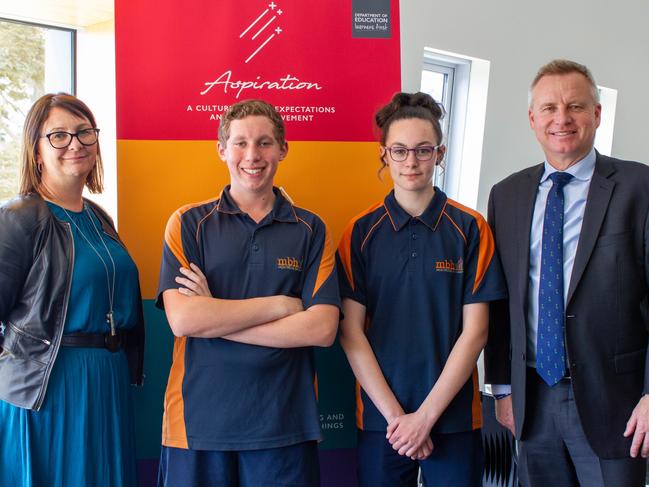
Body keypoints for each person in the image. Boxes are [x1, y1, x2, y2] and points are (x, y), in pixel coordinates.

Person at [156, 99, 340, 487]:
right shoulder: (188, 223)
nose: (252, 155)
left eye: (264, 143)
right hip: (198, 424)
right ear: (221, 149)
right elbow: (184, 320)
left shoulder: (311, 229)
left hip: (285, 424)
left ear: (283, 149)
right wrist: (280, 305)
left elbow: (321, 329)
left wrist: (216, 318)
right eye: (239, 143)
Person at [485, 59, 649, 486]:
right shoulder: (507, 195)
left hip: (617, 400)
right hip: (532, 398)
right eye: (550, 108)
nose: (562, 118)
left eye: (575, 106)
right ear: (532, 119)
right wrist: (502, 388)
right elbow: (501, 301)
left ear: (596, 114)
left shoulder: (640, 188)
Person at [336, 92, 506, 486]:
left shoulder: (470, 228)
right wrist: (400, 419)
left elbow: (476, 331)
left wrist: (426, 418)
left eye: (422, 150)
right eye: (399, 150)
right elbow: (350, 332)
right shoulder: (359, 233)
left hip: (455, 419)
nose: (411, 161)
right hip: (383, 422)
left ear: (439, 153)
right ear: (384, 155)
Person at [0, 93, 145, 486]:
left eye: (84, 133)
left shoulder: (99, 218)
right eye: (59, 136)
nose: (75, 144)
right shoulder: (19, 217)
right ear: (36, 151)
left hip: (107, 379)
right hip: (50, 387)